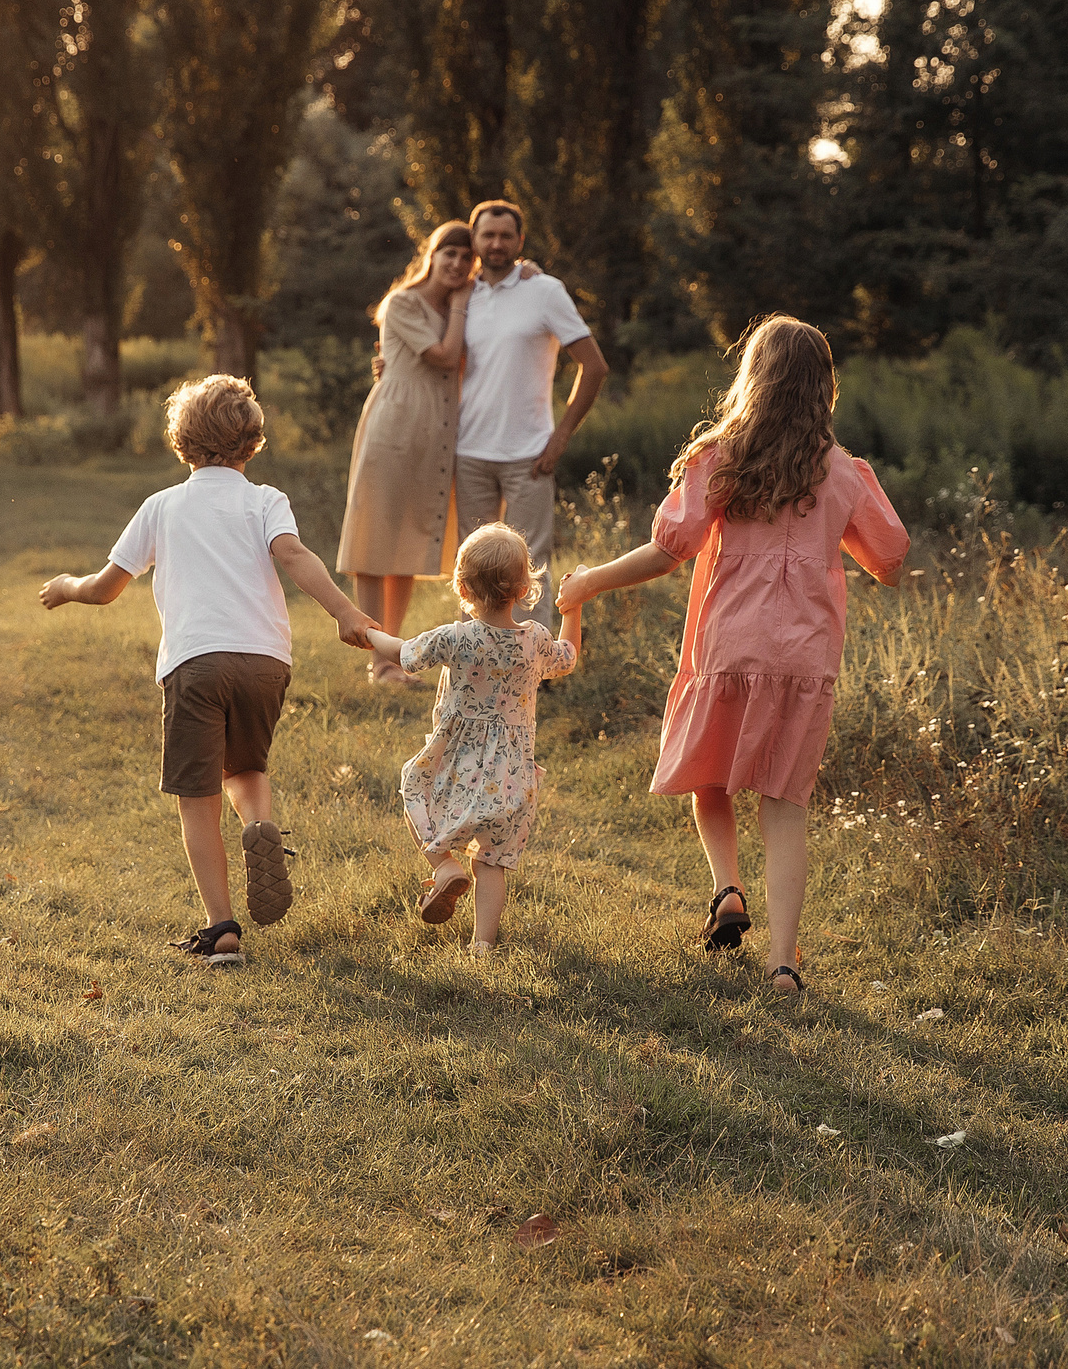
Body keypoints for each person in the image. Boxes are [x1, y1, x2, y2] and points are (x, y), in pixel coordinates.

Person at [555, 316, 908, 994]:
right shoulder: (842, 470)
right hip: (804, 657)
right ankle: (782, 961)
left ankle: (727, 888)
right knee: (785, 804)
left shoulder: (720, 456)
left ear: (753, 378)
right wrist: (834, 535)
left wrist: (592, 579)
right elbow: (890, 559)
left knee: (708, 773)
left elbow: (670, 550)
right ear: (824, 387)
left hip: (728, 647)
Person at [40, 374, 376, 964]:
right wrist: (345, 612)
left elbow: (106, 588)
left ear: (182, 441)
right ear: (252, 442)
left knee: (197, 796)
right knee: (246, 767)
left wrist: (67, 586)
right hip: (265, 662)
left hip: (196, 663)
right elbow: (294, 555)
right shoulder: (266, 500)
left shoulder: (161, 507)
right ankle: (260, 823)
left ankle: (221, 930)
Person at [364, 523, 580, 955]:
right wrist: (574, 607)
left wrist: (366, 631)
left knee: (412, 784)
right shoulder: (535, 640)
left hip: (456, 761)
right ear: (524, 588)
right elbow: (568, 658)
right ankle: (482, 944)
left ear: (462, 585)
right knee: (491, 860)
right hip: (513, 772)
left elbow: (404, 653)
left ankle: (443, 866)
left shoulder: (455, 637)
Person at [453, 200, 605, 633]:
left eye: (506, 235)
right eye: (488, 235)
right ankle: (476, 663)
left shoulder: (545, 290)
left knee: (529, 563)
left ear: (519, 241)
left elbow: (594, 366)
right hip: (470, 452)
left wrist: (560, 437)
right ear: (475, 240)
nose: (496, 243)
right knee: (471, 566)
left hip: (530, 453)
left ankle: (533, 667)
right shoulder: (462, 295)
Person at [335, 222, 474, 685]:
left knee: (408, 544)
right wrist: (459, 307)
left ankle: (392, 657)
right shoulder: (404, 303)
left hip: (435, 432)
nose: (456, 264)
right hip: (395, 427)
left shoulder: (463, 305)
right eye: (448, 254)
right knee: (376, 538)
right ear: (430, 255)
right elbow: (442, 356)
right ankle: (379, 661)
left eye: (464, 257)